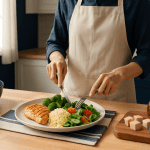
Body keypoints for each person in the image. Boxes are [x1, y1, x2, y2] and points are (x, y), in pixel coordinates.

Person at [46, 0, 150, 103]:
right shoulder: (67, 1)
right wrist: (56, 58)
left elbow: (147, 53)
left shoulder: (137, 3)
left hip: (118, 100)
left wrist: (120, 74)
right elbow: (55, 42)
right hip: (73, 98)